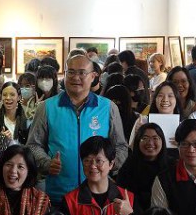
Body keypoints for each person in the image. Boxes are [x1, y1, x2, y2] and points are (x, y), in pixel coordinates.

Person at [27, 54, 130, 205]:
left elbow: (121, 146)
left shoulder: (108, 108)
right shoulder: (47, 107)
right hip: (58, 195)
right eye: (71, 72)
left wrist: (109, 166)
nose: (76, 77)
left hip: (97, 196)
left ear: (93, 76)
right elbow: (33, 145)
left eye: (82, 73)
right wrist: (46, 163)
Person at [116, 122, 170, 213]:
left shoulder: (171, 165)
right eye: (144, 138)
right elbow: (121, 191)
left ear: (162, 141)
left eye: (155, 138)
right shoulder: (129, 165)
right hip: (133, 214)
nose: (150, 142)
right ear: (138, 141)